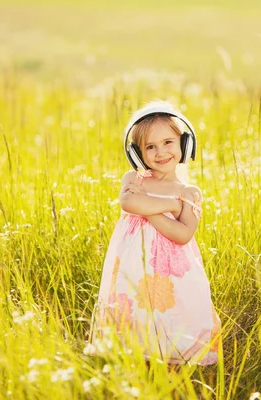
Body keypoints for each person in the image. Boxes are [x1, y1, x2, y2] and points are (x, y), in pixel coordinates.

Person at [88, 100, 220, 366]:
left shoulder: (191, 192)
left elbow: (182, 235)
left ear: (185, 144)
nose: (161, 152)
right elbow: (129, 203)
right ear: (137, 153)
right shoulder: (133, 179)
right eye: (150, 147)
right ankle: (138, 364)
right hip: (132, 267)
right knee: (135, 314)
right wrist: (172, 205)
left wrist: (147, 206)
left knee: (170, 315)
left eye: (168, 142)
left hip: (172, 273)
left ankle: (170, 365)